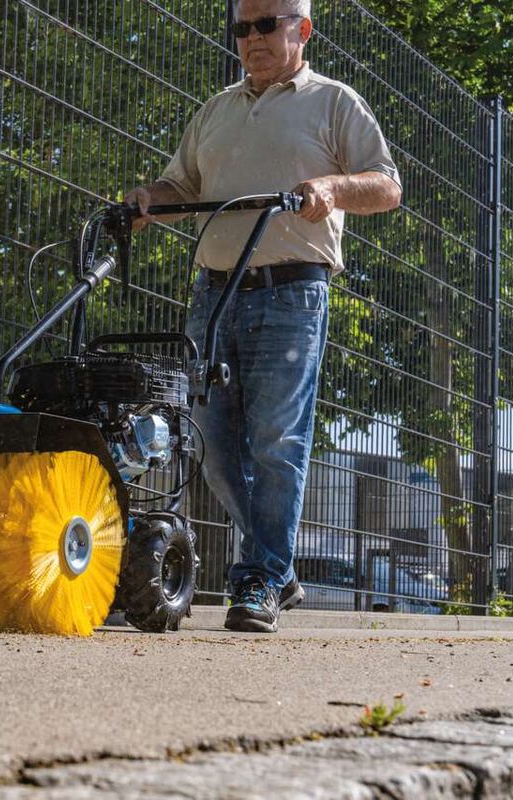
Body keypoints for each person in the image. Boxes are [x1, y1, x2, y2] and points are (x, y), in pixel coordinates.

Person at [123, 0, 401, 632]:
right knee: (210, 443)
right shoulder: (215, 110)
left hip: (292, 291)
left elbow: (387, 186)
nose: (251, 38)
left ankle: (262, 576)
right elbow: (181, 186)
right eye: (242, 28)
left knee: (277, 440)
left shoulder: (334, 102)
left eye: (266, 25)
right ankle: (276, 562)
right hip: (213, 295)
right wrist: (149, 201)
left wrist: (331, 188)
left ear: (302, 29)